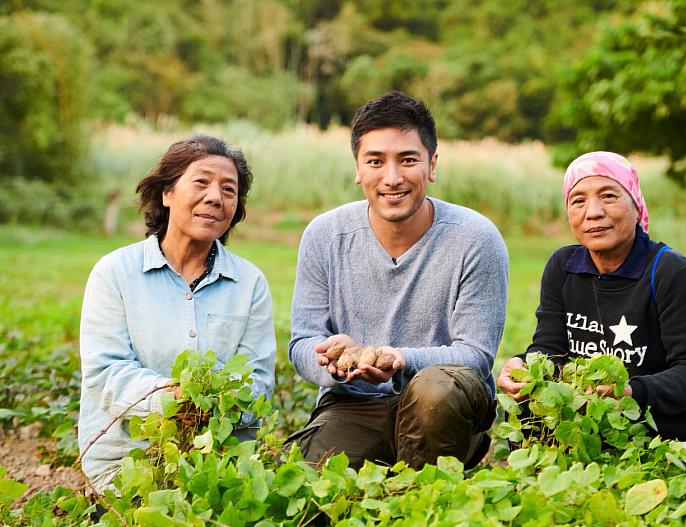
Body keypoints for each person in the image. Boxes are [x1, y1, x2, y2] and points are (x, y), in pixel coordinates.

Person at [288, 91, 509, 470]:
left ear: (432, 165)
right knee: (310, 483)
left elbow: (475, 356)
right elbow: (302, 341)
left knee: (433, 390)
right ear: (358, 168)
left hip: (446, 404)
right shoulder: (325, 235)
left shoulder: (476, 238)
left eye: (408, 160)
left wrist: (399, 359)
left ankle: (431, 486)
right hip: (355, 403)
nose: (392, 178)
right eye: (375, 161)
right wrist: (331, 361)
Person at [497, 151, 686, 472]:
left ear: (636, 204)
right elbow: (549, 350)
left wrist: (631, 392)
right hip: (606, 425)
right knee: (527, 407)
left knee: (662, 485)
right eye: (578, 201)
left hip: (685, 429)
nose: (593, 212)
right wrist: (523, 366)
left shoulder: (672, 274)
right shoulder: (563, 267)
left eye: (609, 196)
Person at [78, 135, 276, 491]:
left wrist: (213, 404)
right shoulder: (115, 273)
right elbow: (105, 373)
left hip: (220, 463)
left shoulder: (250, 284)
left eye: (229, 190)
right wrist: (174, 399)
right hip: (126, 464)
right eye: (201, 182)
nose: (215, 197)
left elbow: (258, 383)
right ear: (166, 194)